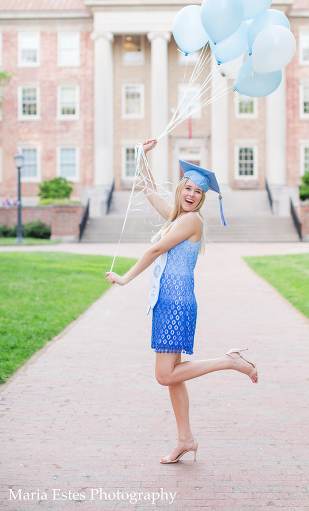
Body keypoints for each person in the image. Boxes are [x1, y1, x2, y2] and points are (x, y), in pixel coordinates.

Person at [105, 139, 258, 465]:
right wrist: (142, 156)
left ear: (203, 198)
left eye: (198, 192)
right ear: (180, 189)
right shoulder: (176, 217)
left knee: (164, 375)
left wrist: (125, 277)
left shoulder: (191, 221)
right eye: (188, 188)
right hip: (167, 303)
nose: (191, 195)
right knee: (174, 375)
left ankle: (228, 361)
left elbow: (156, 250)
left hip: (176, 304)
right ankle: (185, 439)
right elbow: (147, 190)